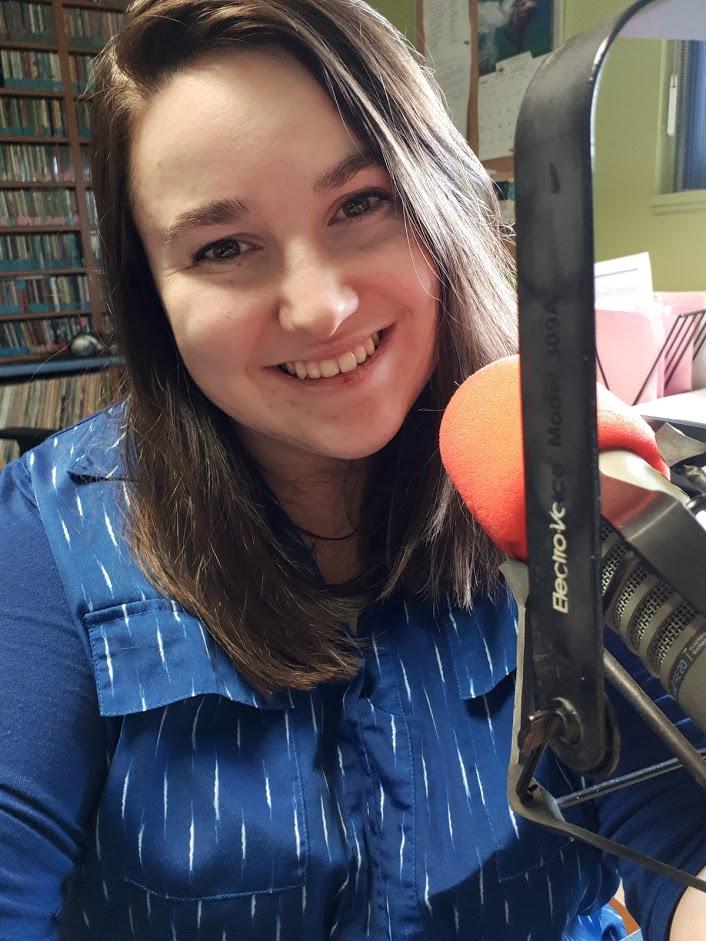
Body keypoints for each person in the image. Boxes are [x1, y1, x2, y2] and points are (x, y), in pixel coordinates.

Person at [0, 1, 705, 938]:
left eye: (360, 203)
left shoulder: (551, 474)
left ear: (436, 200)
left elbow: (673, 835)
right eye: (223, 248)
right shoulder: (48, 541)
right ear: (152, 293)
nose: (320, 307)